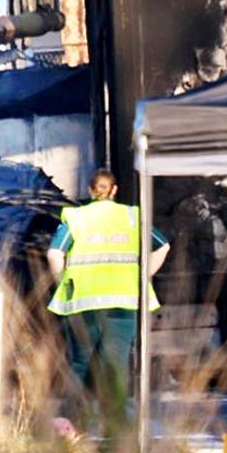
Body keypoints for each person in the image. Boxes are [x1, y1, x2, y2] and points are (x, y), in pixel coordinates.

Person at [47, 168, 169, 428]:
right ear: (114, 191)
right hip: (123, 301)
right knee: (116, 364)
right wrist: (143, 276)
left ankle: (67, 425)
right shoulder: (132, 217)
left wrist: (64, 282)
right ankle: (116, 426)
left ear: (91, 191)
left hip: (83, 302)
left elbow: (54, 254)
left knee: (79, 363)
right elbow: (163, 246)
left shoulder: (77, 217)